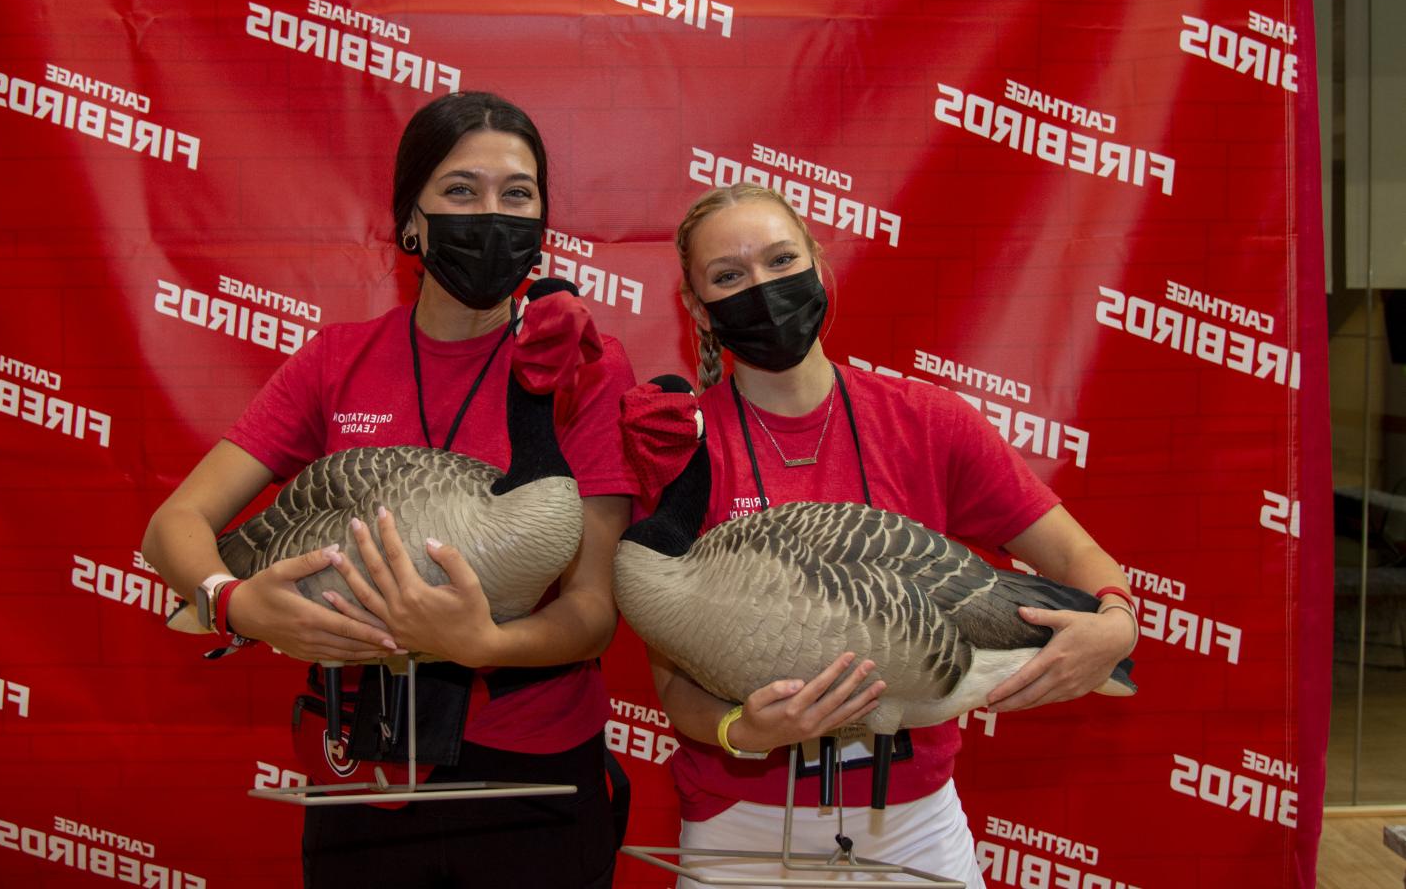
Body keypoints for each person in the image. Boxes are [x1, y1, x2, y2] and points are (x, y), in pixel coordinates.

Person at [142, 91, 636, 888]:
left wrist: (485, 646)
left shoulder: (584, 367)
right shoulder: (339, 359)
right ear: (412, 218)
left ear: (543, 223)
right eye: (461, 191)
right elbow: (176, 525)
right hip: (366, 773)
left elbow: (591, 613)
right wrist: (233, 602)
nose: (492, 215)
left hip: (530, 779)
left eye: (518, 195)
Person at [644, 183, 1138, 887]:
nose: (762, 288)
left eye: (782, 260)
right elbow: (673, 687)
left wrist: (1115, 622)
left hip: (908, 823)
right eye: (729, 276)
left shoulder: (925, 420)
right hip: (740, 825)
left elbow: (1075, 556)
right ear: (696, 306)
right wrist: (742, 733)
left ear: (819, 265)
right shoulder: (677, 448)